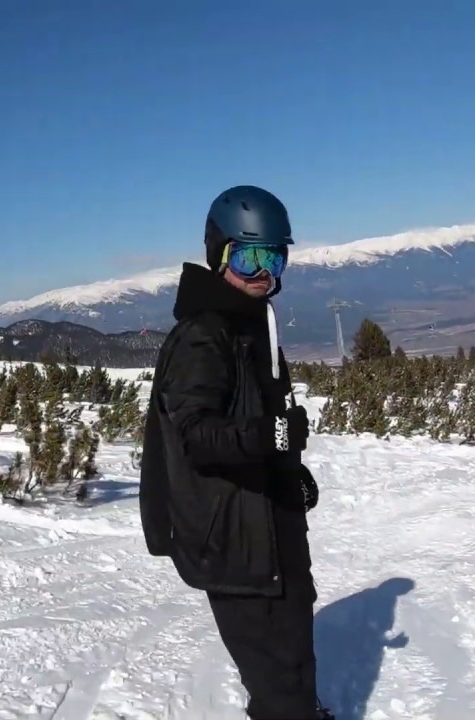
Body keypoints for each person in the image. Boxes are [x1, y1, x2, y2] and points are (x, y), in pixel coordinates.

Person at [139, 185, 330, 719]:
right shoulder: (205, 335)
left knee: (294, 655)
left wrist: (289, 472)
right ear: (220, 256)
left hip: (268, 521)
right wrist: (273, 438)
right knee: (275, 675)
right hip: (235, 542)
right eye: (249, 258)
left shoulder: (251, 325)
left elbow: (251, 421)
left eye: (275, 256)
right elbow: (197, 436)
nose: (264, 272)